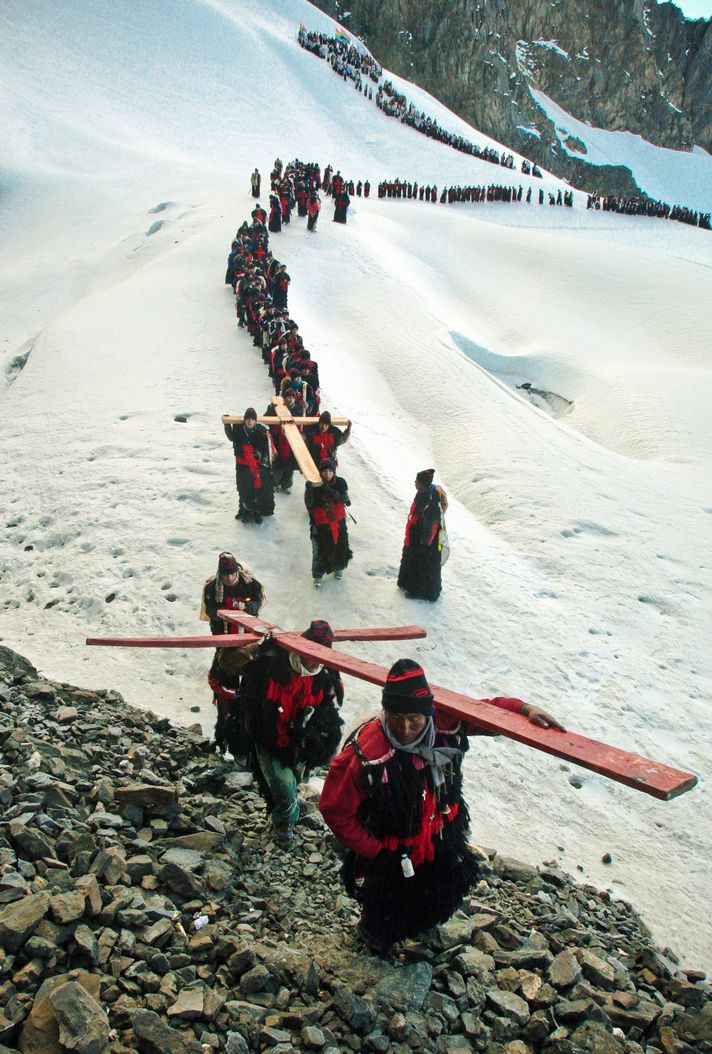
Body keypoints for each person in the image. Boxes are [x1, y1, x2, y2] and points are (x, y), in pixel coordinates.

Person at [320, 659, 565, 954]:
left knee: (443, 887)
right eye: (396, 717)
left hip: (441, 830)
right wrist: (374, 851)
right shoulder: (368, 752)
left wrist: (523, 710)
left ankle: (418, 924)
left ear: (428, 713)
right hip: (392, 845)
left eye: (414, 719)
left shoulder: (446, 723)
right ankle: (375, 936)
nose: (405, 728)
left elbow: (486, 712)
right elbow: (335, 809)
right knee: (385, 899)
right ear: (386, 710)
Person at [242, 620, 344, 845]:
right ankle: (284, 822)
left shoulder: (325, 678)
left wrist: (314, 736)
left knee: (294, 780)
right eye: (311, 653)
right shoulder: (270, 667)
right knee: (282, 781)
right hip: (270, 737)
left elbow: (327, 712)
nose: (316, 660)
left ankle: (286, 809)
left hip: (300, 740)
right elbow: (253, 701)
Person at [397, 469, 447, 602]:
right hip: (423, 536)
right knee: (426, 565)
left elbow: (430, 523)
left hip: (424, 539)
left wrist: (424, 544)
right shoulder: (429, 493)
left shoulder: (427, 498)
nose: (415, 483)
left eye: (417, 481)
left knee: (422, 564)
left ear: (423, 484)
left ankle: (419, 591)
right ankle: (422, 587)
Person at [305, 458, 353, 586]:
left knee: (340, 546)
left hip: (338, 522)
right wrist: (309, 491)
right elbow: (309, 505)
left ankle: (338, 568)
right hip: (320, 524)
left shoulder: (341, 482)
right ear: (320, 472)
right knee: (319, 550)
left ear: (334, 471)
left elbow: (345, 499)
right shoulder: (315, 485)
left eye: (330, 471)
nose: (327, 474)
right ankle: (317, 575)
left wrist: (330, 491)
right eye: (325, 471)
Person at [224, 407, 275, 523]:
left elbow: (268, 449)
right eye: (248, 419)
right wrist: (227, 425)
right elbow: (231, 437)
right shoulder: (239, 430)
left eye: (252, 420)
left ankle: (258, 511)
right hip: (243, 465)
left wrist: (264, 464)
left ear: (255, 421)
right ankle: (244, 511)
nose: (250, 422)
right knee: (243, 489)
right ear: (245, 420)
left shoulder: (262, 432)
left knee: (260, 488)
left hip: (259, 465)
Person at [200, 551, 265, 634]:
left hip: (248, 630)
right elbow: (209, 610)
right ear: (220, 574)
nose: (229, 578)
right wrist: (225, 612)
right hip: (221, 630)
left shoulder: (251, 584)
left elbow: (257, 602)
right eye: (225, 575)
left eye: (232, 573)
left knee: (250, 647)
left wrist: (246, 607)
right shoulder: (212, 587)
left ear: (237, 571)